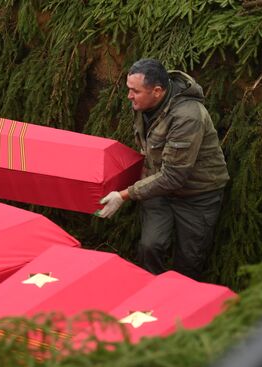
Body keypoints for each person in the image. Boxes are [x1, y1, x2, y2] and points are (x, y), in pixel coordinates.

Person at [98, 58, 229, 280]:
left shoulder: (188, 116)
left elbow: (174, 176)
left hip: (197, 196)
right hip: (158, 190)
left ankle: (180, 303)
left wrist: (123, 195)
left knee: (189, 260)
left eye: (135, 91)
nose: (129, 96)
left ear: (157, 91)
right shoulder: (144, 103)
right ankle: (151, 294)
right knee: (149, 246)